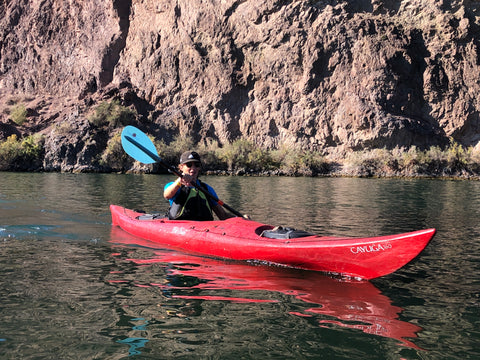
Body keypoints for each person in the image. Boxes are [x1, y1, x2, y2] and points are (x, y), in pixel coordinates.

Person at [164, 150, 237, 221]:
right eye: (189, 165)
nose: (193, 168)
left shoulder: (207, 189)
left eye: (196, 165)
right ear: (181, 167)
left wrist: (240, 219)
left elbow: (223, 215)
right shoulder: (174, 186)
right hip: (181, 228)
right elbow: (167, 195)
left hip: (204, 229)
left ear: (199, 168)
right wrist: (179, 181)